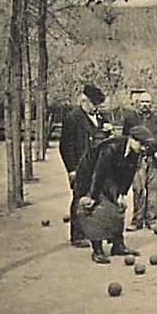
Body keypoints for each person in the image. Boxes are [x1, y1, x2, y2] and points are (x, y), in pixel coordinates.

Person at [74, 126, 156, 264]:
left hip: (109, 176)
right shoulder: (111, 148)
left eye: (145, 146)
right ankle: (97, 250)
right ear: (131, 139)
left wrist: (121, 194)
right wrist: (92, 196)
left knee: (118, 206)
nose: (143, 148)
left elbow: (128, 175)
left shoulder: (135, 152)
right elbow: (99, 173)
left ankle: (118, 245)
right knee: (97, 210)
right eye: (141, 144)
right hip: (89, 175)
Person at [58, 84, 113, 248]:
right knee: (79, 198)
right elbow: (65, 146)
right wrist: (72, 169)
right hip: (81, 167)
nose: (97, 108)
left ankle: (93, 231)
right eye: (94, 104)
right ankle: (77, 235)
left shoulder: (101, 118)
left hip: (98, 166)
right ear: (84, 101)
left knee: (96, 197)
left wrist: (108, 133)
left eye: (98, 105)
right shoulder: (73, 118)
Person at [123, 91, 157, 231]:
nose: (145, 105)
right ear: (137, 103)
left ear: (152, 104)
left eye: (148, 102)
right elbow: (125, 139)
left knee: (153, 191)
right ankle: (137, 221)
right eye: (142, 102)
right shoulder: (130, 119)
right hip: (137, 160)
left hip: (155, 161)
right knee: (138, 189)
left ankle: (151, 219)